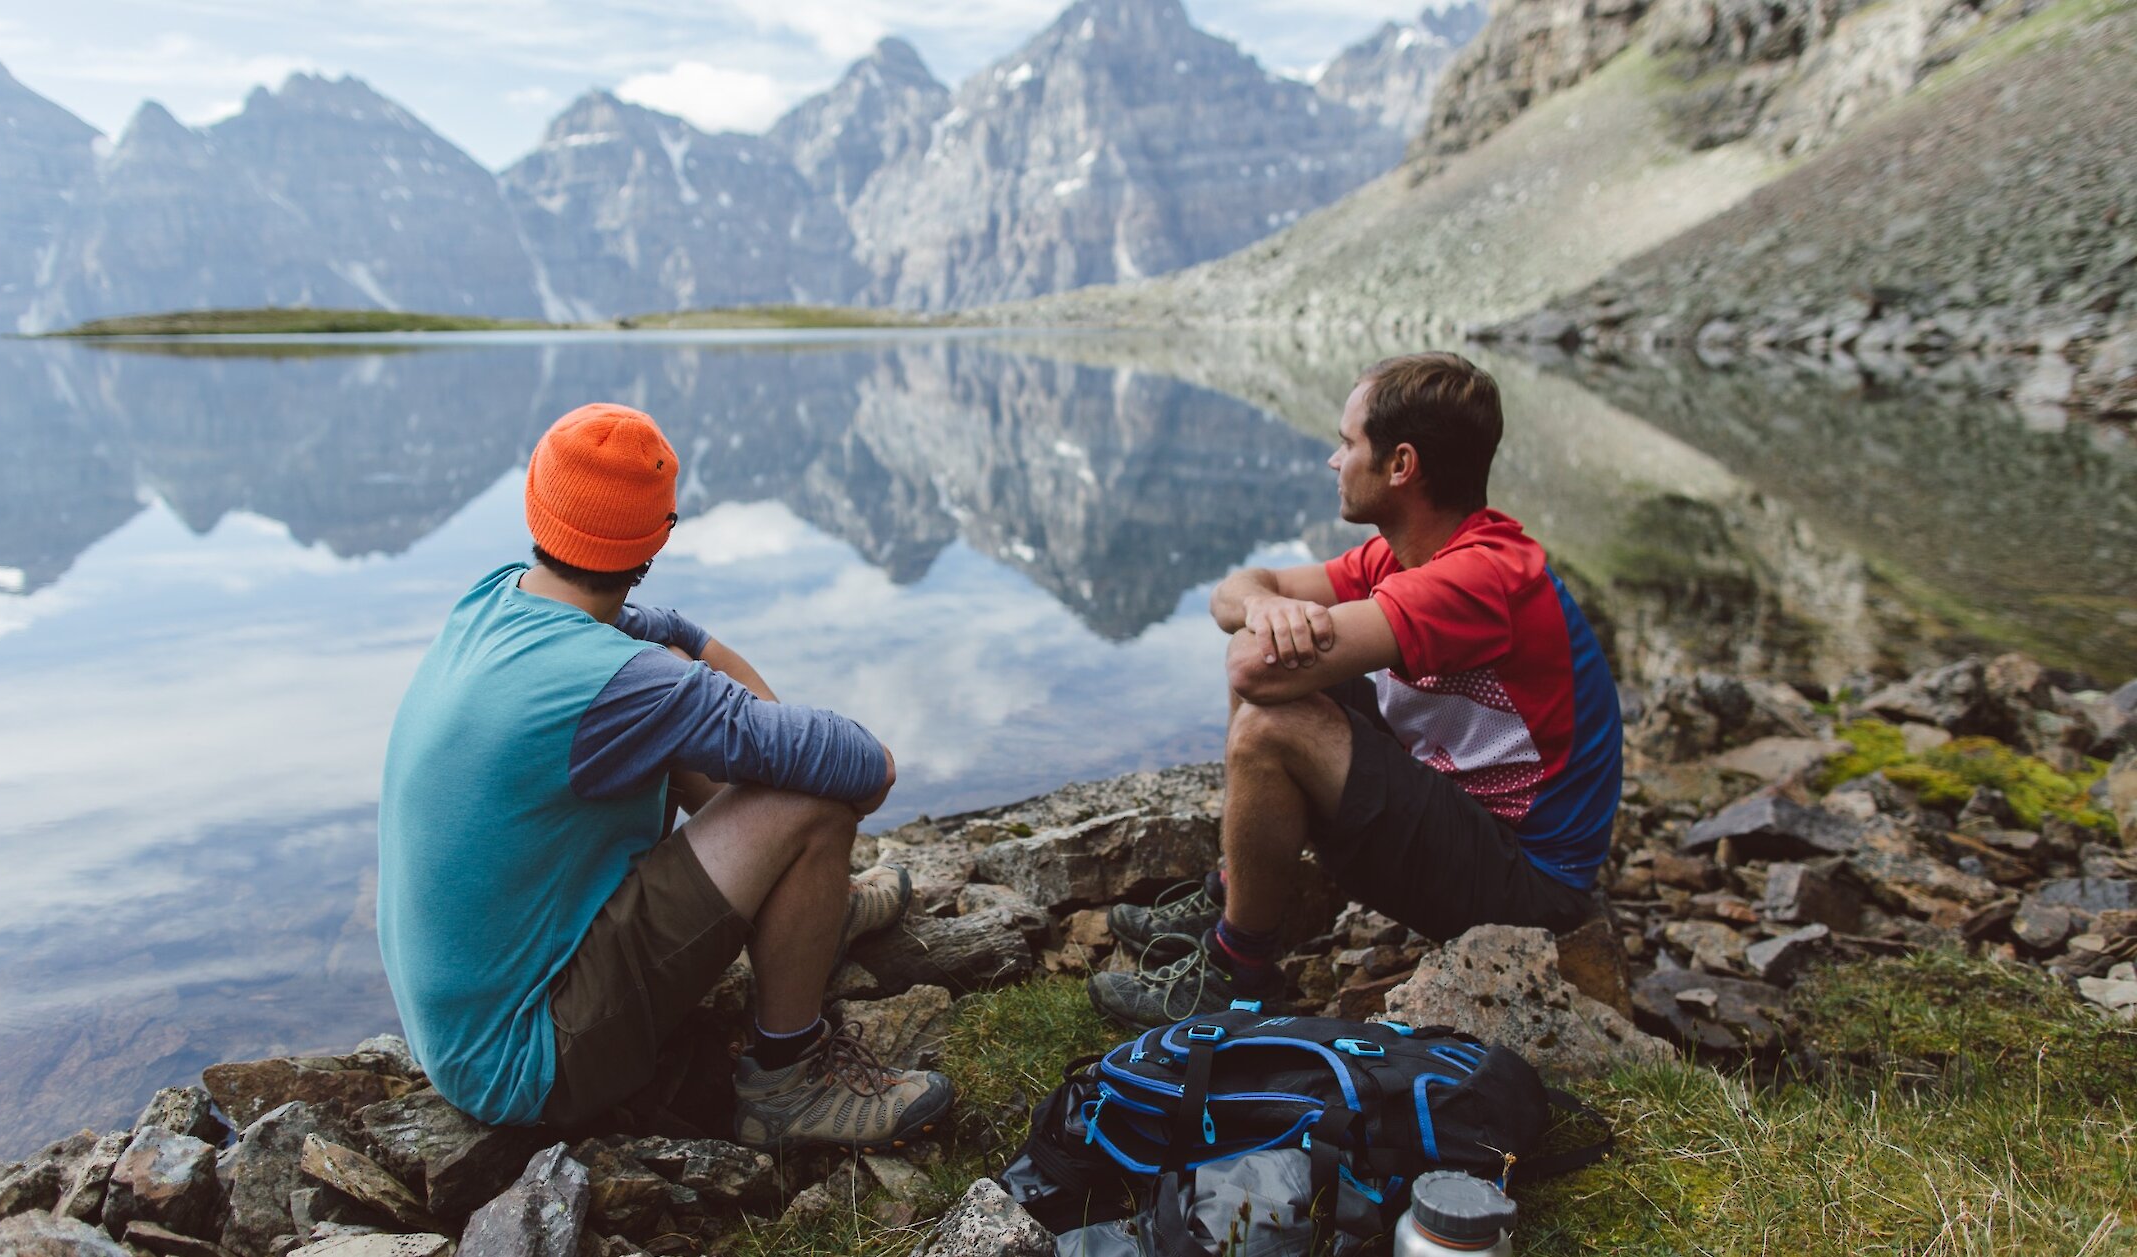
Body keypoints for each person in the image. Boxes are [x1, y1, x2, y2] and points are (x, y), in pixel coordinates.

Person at [378, 402, 954, 1149]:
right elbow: (867, 767)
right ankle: (787, 1080)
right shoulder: (617, 683)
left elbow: (662, 636)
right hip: (526, 1061)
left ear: (535, 508)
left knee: (703, 723)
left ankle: (818, 908)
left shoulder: (498, 596)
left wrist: (716, 692)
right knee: (812, 805)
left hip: (460, 1031)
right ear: (657, 540)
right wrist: (789, 779)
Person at [1087, 353, 1623, 1030]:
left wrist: (1268, 628)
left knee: (1268, 721)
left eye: (1347, 444)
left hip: (1530, 883)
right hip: (1469, 814)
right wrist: (1265, 608)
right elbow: (1236, 591)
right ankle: (1234, 890)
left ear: (1401, 465)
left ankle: (1238, 971)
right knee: (1269, 667)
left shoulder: (1477, 578)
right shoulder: (1405, 550)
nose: (1333, 462)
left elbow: (1253, 671)